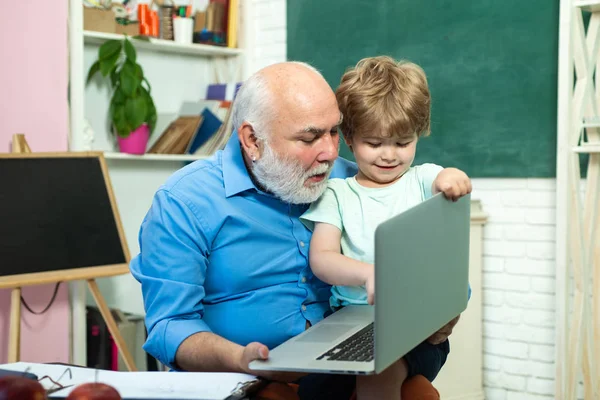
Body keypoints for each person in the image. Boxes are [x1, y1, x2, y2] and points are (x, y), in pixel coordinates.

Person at [130, 61, 459, 400]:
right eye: (309, 137)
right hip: (247, 378)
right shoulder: (184, 201)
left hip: (352, 367)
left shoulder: (354, 182)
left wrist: (441, 312)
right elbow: (170, 325)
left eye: (334, 132)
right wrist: (241, 360)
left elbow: (432, 264)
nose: (331, 152)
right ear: (252, 140)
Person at [301, 56, 472, 399]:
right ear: (348, 138)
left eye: (402, 142)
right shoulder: (337, 193)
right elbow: (321, 257)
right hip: (351, 322)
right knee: (315, 388)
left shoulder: (421, 180)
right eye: (375, 143)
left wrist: (453, 179)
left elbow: (448, 179)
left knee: (378, 373)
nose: (389, 155)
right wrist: (368, 274)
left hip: (416, 328)